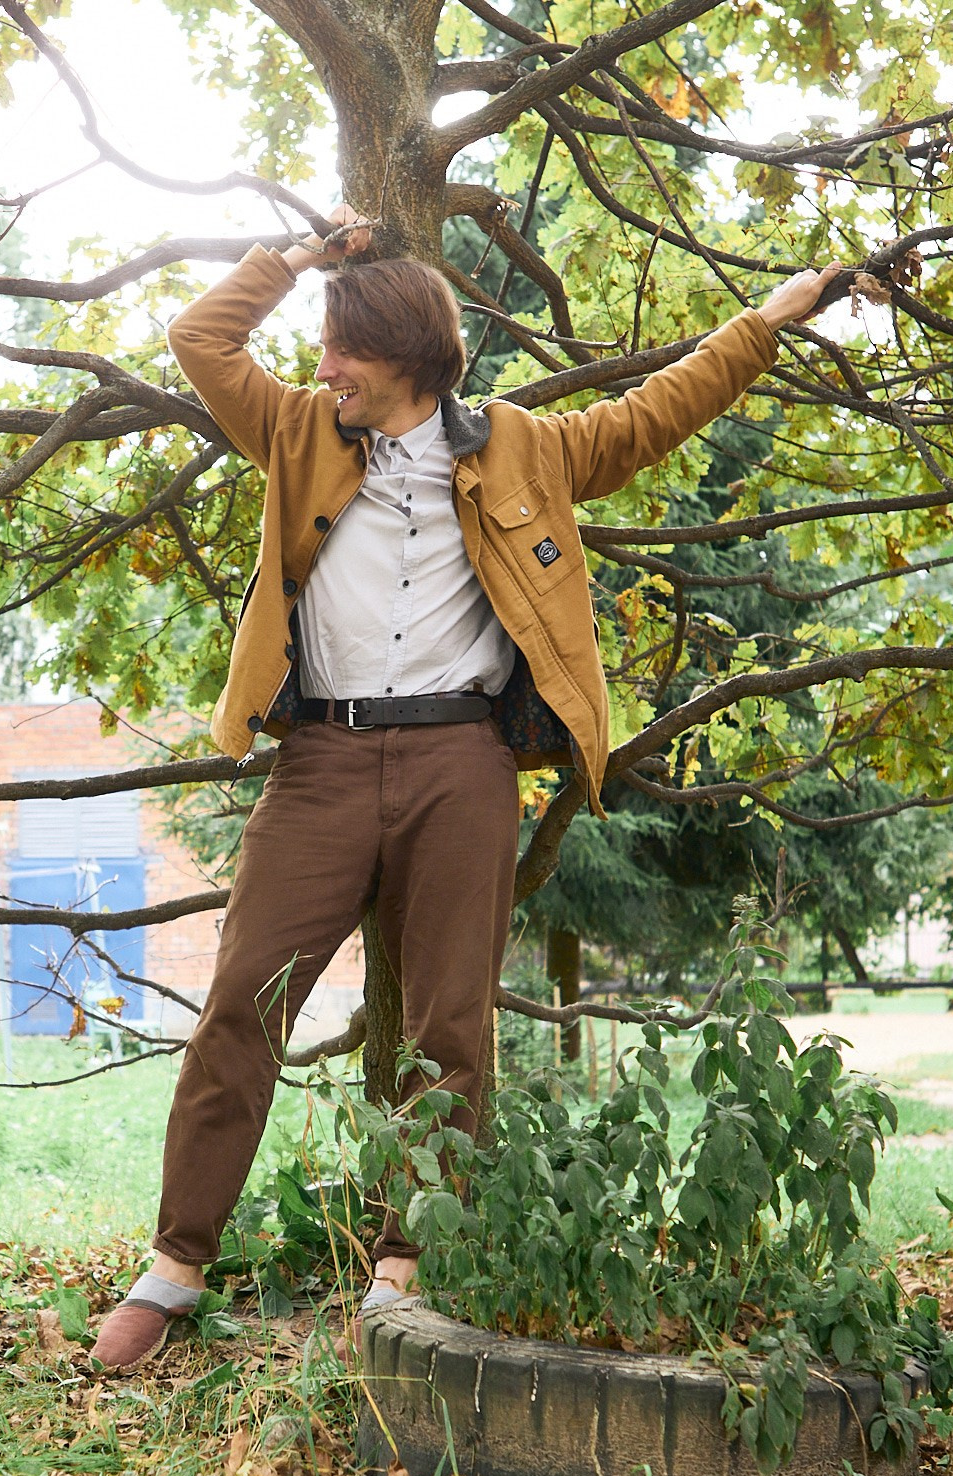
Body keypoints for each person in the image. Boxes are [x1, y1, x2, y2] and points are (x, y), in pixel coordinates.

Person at [87, 208, 847, 1369]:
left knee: (450, 1025)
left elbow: (660, 410)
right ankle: (176, 1263)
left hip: (461, 760)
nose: (323, 366)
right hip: (322, 759)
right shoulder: (296, 431)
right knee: (244, 995)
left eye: (343, 347)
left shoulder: (520, 447)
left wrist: (765, 321)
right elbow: (201, 341)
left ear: (402, 359)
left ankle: (404, 1261)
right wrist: (295, 263)